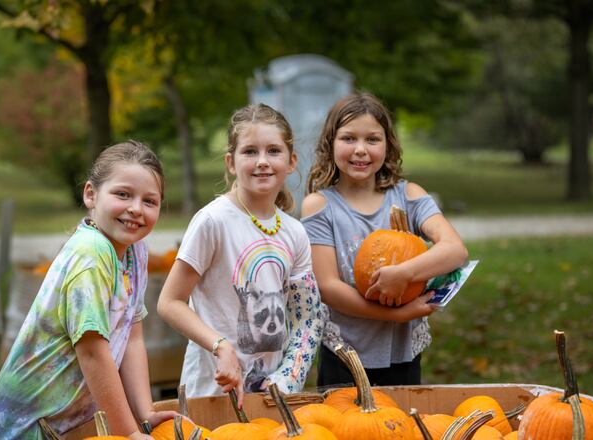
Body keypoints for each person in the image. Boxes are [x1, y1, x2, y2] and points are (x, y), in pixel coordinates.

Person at [0, 141, 178, 439]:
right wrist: (129, 433)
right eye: (123, 194)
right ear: (91, 194)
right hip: (26, 427)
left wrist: (145, 413)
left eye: (149, 201)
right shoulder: (91, 255)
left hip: (70, 425)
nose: (136, 209)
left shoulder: (136, 251)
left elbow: (132, 333)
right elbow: (92, 352)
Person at [157, 103, 324, 406]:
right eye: (250, 152)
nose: (262, 161)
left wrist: (287, 378)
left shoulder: (294, 232)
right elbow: (169, 303)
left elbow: (307, 319)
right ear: (231, 162)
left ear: (291, 162)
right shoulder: (213, 221)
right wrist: (221, 347)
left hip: (269, 398)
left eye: (273, 151)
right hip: (210, 394)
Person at [301, 93, 468, 388]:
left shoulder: (409, 195)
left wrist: (403, 273)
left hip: (401, 353)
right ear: (331, 144)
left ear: (388, 144)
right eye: (349, 138)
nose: (361, 150)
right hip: (344, 354)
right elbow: (328, 287)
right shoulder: (320, 206)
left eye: (372, 140)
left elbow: (455, 250)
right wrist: (398, 314)